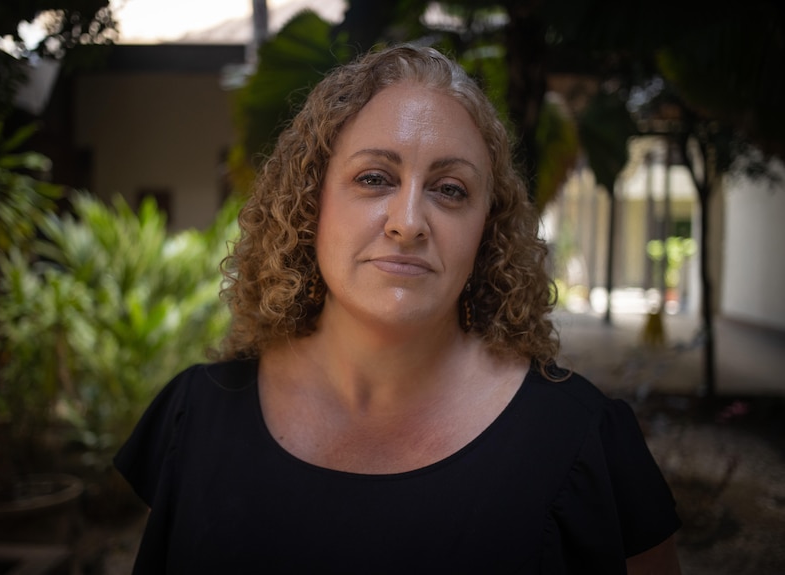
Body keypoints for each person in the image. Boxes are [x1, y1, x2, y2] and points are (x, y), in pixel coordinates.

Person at [114, 44, 682, 574]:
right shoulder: (196, 418)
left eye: (451, 189)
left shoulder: (583, 442)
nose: (408, 222)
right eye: (374, 178)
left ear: (487, 228)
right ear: (311, 202)